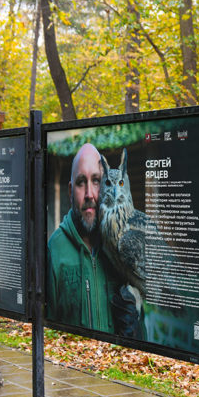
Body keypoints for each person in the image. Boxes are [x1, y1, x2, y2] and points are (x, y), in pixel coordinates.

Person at [47, 143, 137, 335]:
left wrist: (136, 332)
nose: (90, 194)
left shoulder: (120, 246)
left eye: (96, 181)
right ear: (70, 190)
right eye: (81, 182)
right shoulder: (54, 251)